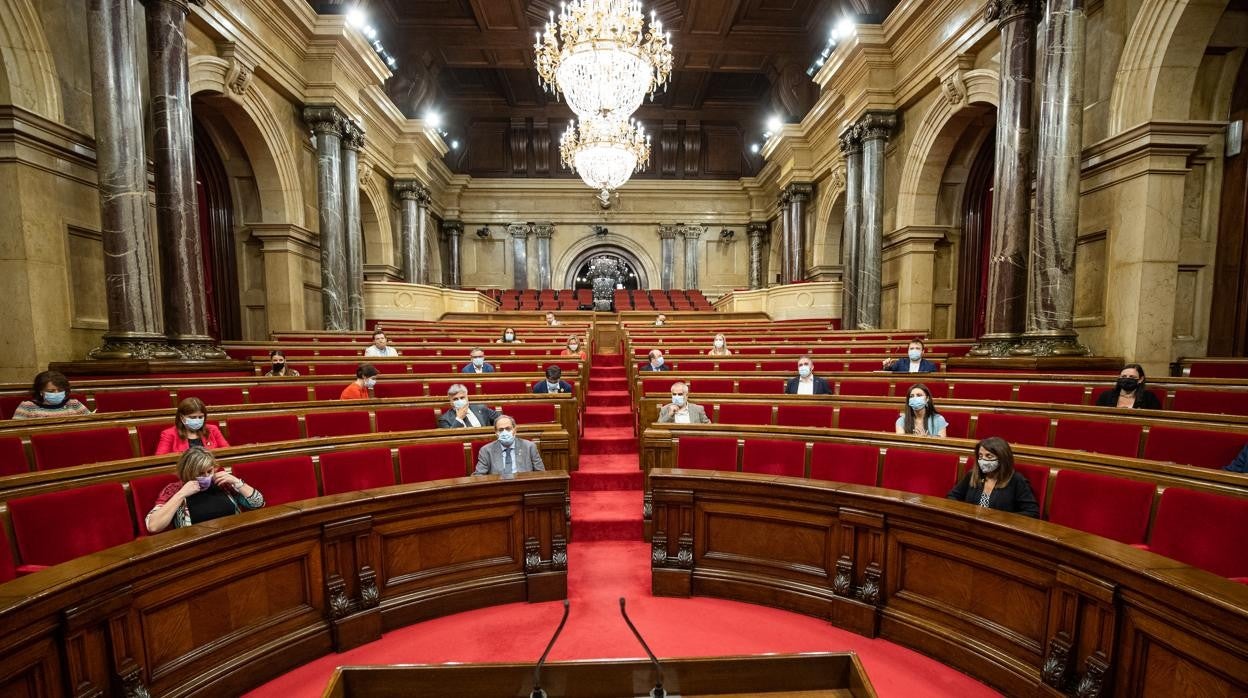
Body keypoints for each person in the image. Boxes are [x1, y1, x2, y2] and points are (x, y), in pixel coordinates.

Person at [145, 448, 264, 533]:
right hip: (197, 545)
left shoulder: (222, 483)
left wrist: (237, 482)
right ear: (187, 472)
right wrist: (181, 494)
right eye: (200, 473)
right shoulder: (175, 489)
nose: (206, 476)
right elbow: (153, 526)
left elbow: (258, 504)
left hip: (233, 536)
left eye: (209, 471)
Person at [947, 437, 1039, 518]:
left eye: (989, 456)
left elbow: (1032, 512)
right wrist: (966, 511)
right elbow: (952, 496)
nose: (983, 460)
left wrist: (1003, 518)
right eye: (980, 456)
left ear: (1002, 458)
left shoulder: (1016, 480)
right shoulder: (972, 475)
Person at [473, 415, 545, 476]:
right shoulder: (486, 450)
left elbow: (541, 473)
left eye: (508, 429)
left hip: (524, 487)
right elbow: (479, 475)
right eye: (501, 430)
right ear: (496, 432)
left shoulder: (529, 447)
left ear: (515, 430)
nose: (505, 432)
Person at [155, 398, 230, 454]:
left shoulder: (212, 429)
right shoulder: (169, 434)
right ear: (182, 417)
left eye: (200, 417)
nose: (197, 420)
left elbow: (227, 451)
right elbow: (161, 460)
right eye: (192, 417)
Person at [12, 370, 91, 419]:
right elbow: (16, 432)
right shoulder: (27, 407)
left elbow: (91, 423)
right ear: (41, 391)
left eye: (60, 390)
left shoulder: (74, 404)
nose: (56, 393)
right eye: (51, 391)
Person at [1094, 363, 1162, 409]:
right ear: (1119, 378)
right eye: (1124, 376)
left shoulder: (1149, 398)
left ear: (1140, 379)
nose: (1127, 379)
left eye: (1132, 377)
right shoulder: (1106, 395)